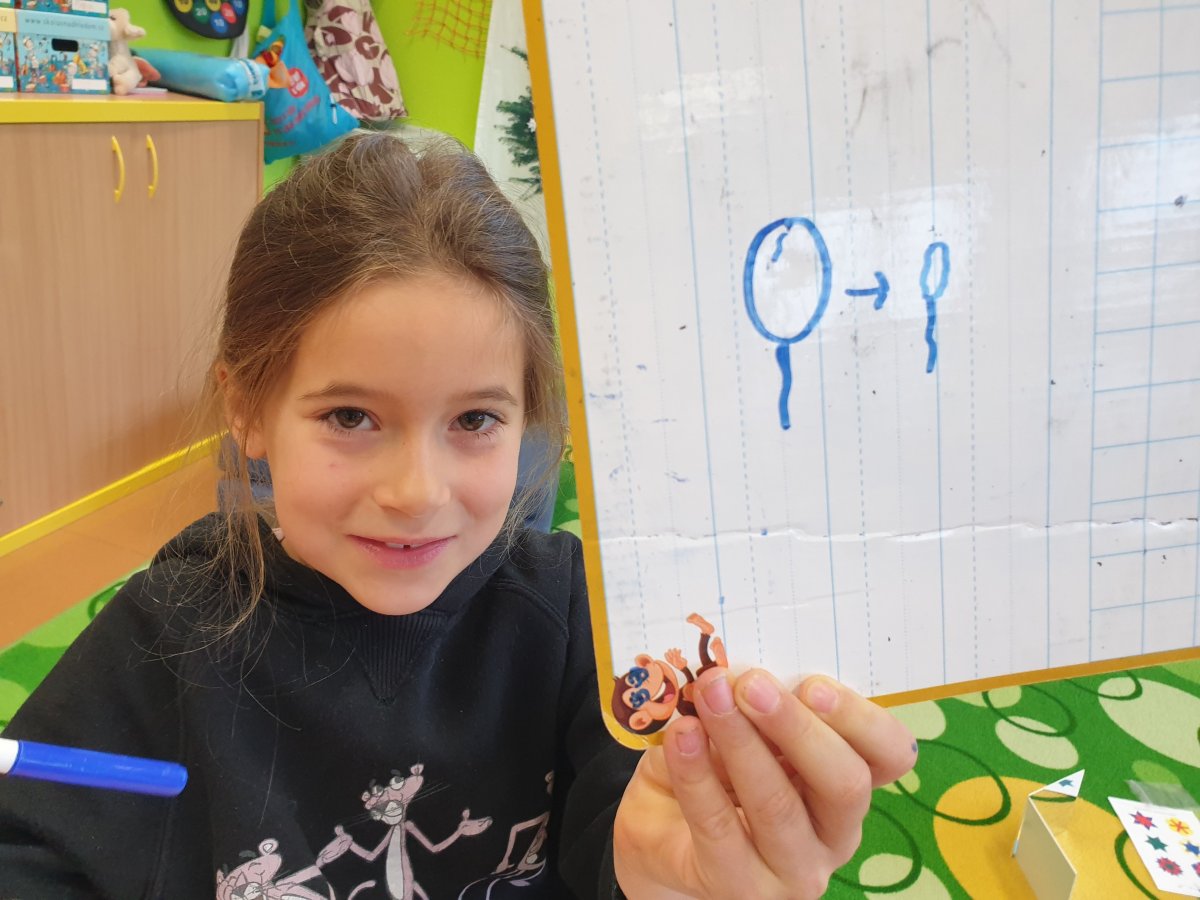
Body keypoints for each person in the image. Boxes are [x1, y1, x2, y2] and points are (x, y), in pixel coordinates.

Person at [0, 132, 915, 899]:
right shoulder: (169, 634)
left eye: (475, 421)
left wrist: (665, 873)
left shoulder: (571, 614)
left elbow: (627, 835)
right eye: (350, 417)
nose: (418, 493)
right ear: (248, 410)